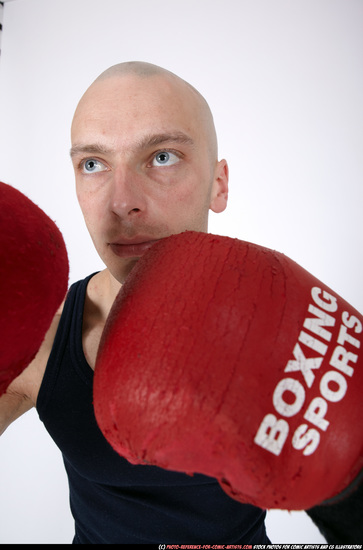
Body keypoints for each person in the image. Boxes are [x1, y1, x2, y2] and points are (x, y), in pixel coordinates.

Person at [0, 61, 360, 544]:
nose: (122, 201)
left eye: (162, 156)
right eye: (93, 164)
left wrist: (349, 488)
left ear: (219, 183)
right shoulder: (43, 338)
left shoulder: (302, 328)